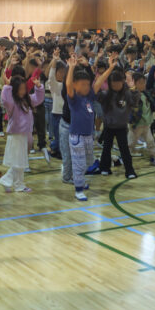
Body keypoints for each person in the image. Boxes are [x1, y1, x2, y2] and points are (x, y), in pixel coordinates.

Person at [0, 73, 44, 193]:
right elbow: (5, 99)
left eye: (25, 89)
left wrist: (39, 87)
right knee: (19, 161)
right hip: (16, 135)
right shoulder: (12, 102)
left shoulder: (27, 99)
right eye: (21, 89)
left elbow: (38, 99)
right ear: (15, 89)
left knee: (20, 161)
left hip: (24, 134)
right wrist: (7, 86)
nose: (24, 91)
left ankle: (18, 184)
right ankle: (8, 181)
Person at [95, 56, 137, 179]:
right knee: (106, 148)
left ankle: (129, 171)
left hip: (122, 127)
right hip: (108, 126)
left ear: (122, 82)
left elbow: (135, 102)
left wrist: (133, 88)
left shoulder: (127, 94)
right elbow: (95, 92)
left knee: (124, 150)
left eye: (118, 83)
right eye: (113, 83)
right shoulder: (106, 94)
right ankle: (104, 168)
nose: (115, 85)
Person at [65, 55, 96, 202]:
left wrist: (110, 68)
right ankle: (78, 190)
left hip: (89, 135)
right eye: (82, 84)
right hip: (77, 136)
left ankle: (81, 181)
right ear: (76, 85)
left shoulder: (88, 97)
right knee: (79, 163)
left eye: (87, 84)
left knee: (89, 162)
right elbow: (68, 86)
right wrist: (71, 68)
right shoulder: (74, 99)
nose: (86, 87)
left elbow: (97, 83)